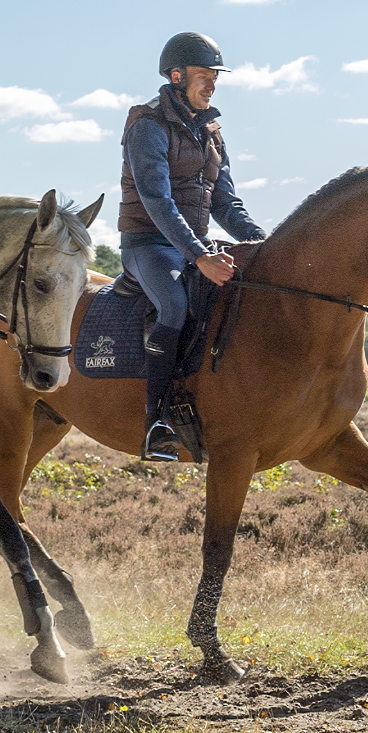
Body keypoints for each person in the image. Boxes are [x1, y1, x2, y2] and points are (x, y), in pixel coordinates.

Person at [118, 29, 263, 461]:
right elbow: (157, 201)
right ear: (177, 76)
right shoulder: (148, 125)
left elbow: (226, 203)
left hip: (192, 243)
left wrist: (263, 244)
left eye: (215, 77)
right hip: (147, 245)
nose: (212, 84)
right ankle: (157, 420)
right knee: (175, 307)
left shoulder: (213, 132)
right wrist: (199, 256)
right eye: (204, 75)